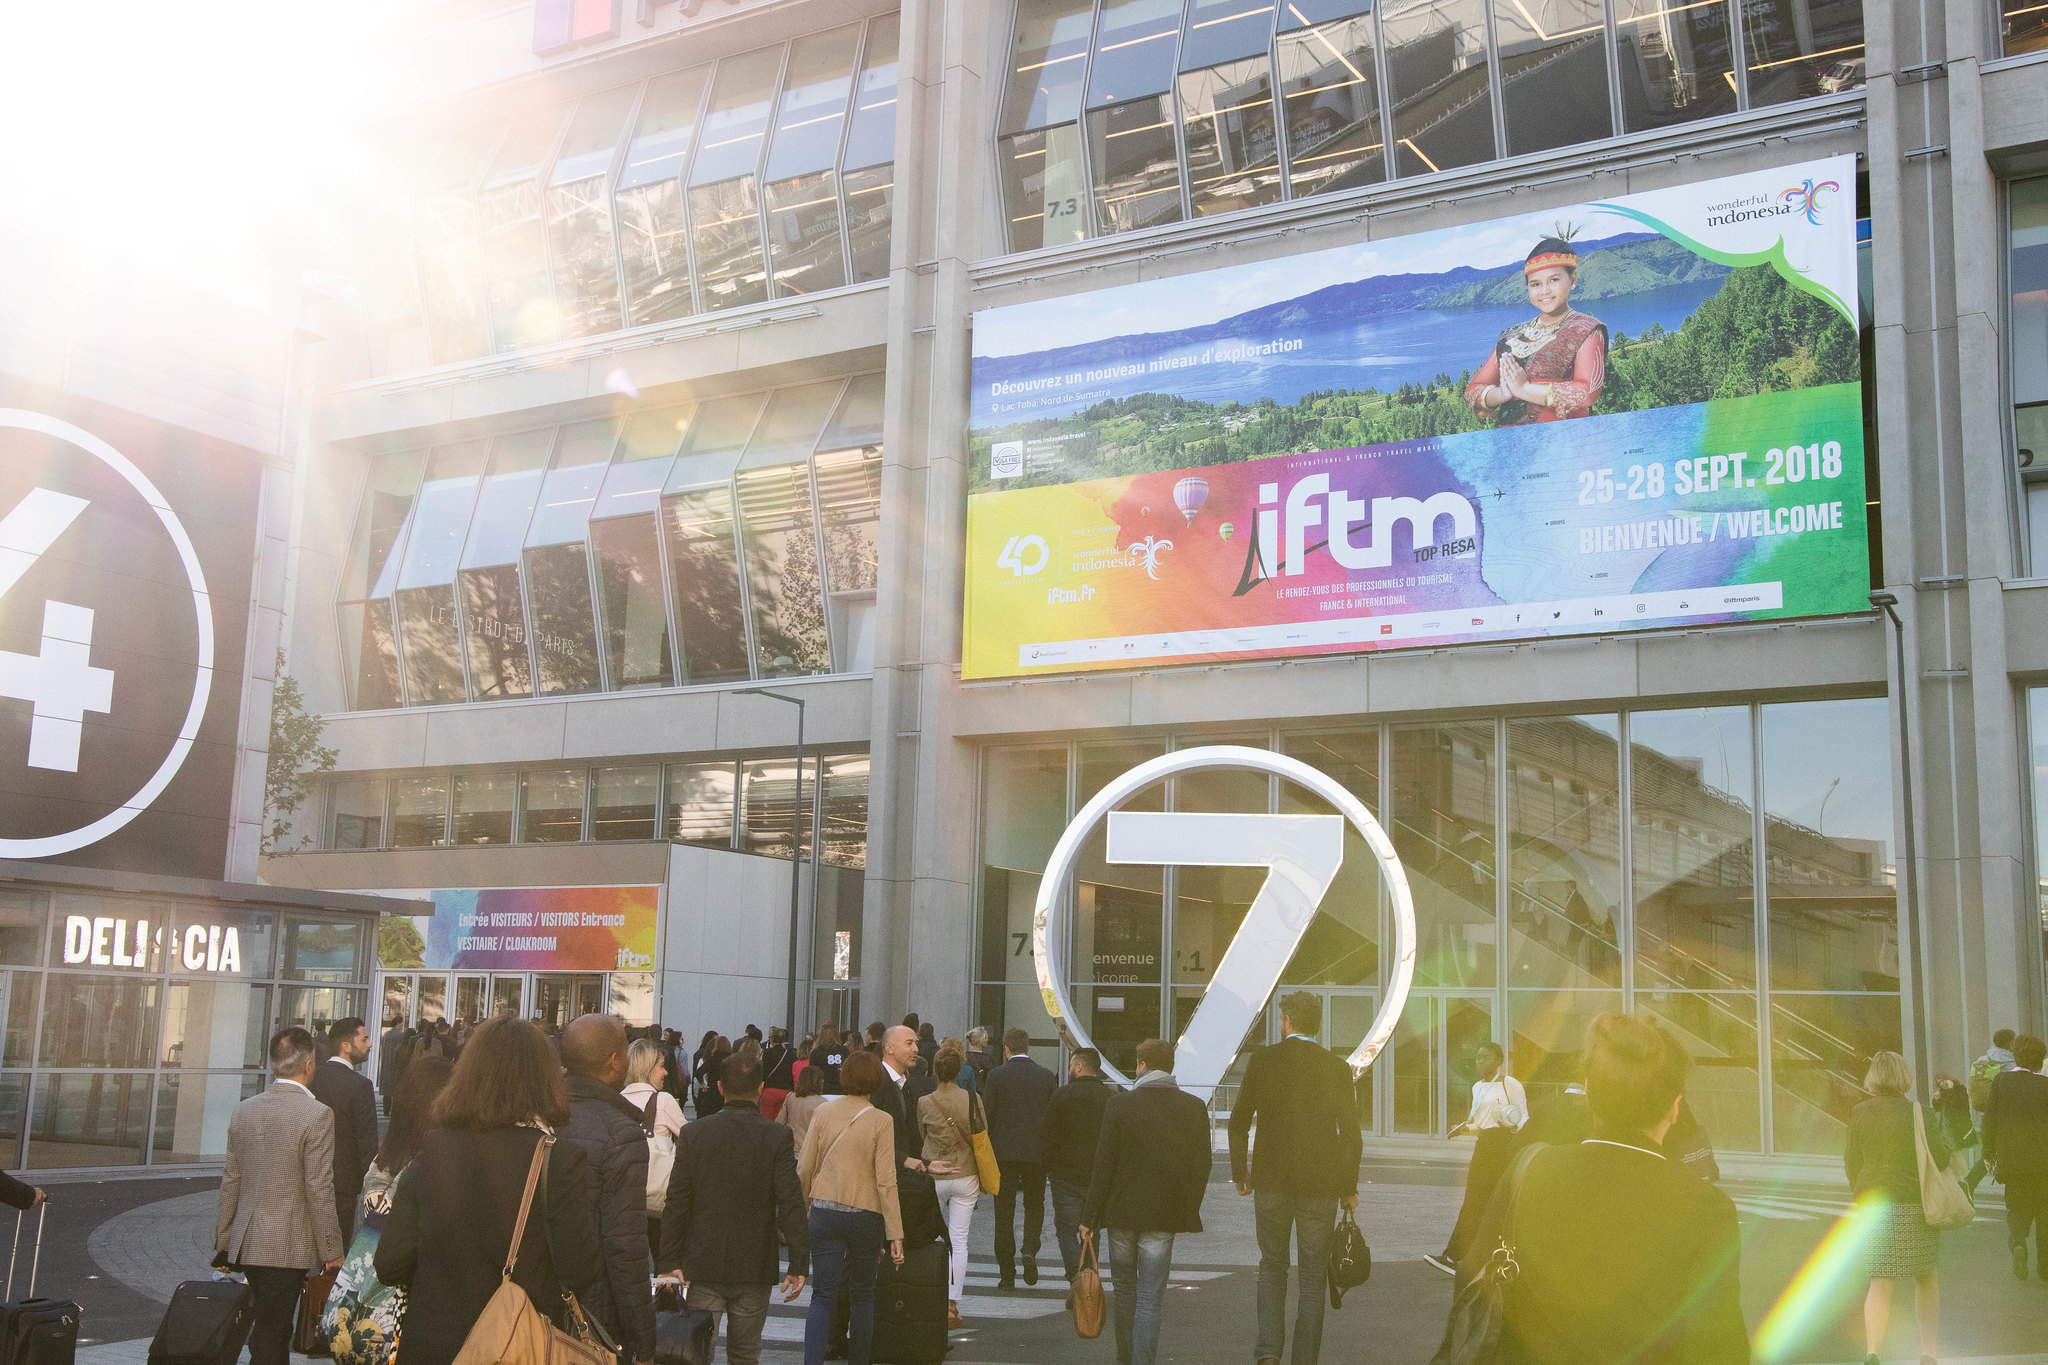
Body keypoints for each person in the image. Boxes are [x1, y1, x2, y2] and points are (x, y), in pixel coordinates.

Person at [1461, 1013, 1747, 1365]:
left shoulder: (1531, 1170)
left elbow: (1471, 1274)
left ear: (1589, 1092)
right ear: (1674, 1109)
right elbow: (1719, 1344)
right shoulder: (1708, 1207)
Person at [375, 1017, 604, 1365]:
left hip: (434, 1346)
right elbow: (581, 1270)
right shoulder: (557, 1159)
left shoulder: (433, 1149)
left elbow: (389, 1263)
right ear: (545, 1079)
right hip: (520, 1347)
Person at [1228, 992, 1363, 1365]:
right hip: (1320, 1186)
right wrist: (1348, 1188)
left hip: (1271, 1180)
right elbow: (1351, 1134)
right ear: (1316, 1023)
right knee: (1312, 1276)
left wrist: (1241, 1172)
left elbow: (1238, 1123)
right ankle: (1304, 1358)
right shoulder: (1336, 1067)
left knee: (1272, 1265)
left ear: (1286, 1020)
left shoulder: (1263, 1060)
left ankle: (1268, 1352)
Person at [659, 1051, 808, 1365]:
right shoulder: (777, 1136)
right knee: (744, 1354)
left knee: (696, 1351)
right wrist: (798, 1261)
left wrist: (668, 1259)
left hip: (703, 1259)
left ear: (720, 1087)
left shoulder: (695, 1133)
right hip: (754, 1262)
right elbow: (791, 1201)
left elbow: (677, 1202)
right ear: (761, 1088)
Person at [214, 1027, 347, 1365]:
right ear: (309, 1065)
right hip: (287, 1243)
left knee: (266, 1325)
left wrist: (224, 1241)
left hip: (248, 1240)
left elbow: (232, 1179)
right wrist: (332, 1249)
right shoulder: (317, 1115)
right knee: (274, 1329)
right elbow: (319, 1187)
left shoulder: (244, 1110)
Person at [1079, 1039, 1211, 1365]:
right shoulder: (1193, 1107)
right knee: (1150, 1298)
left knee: (1125, 1292)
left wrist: (1090, 1217)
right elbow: (1202, 1165)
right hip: (1163, 1213)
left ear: (1141, 1064)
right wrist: (1187, 1205)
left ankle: (1125, 1358)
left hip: (1121, 1213)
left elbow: (1104, 1165)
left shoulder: (1120, 1105)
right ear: (1171, 1066)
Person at [559, 1014, 658, 1365]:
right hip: (594, 1314)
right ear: (614, 1061)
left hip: (533, 1301)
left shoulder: (541, 1112)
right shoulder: (621, 1133)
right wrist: (644, 1342)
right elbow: (626, 1249)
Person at [797, 1050, 904, 1365]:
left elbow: (804, 1167)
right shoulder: (881, 1120)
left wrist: (804, 1208)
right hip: (864, 1216)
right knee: (862, 1297)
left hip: (825, 1211)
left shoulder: (824, 1112)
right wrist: (895, 1233)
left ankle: (812, 1360)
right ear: (875, 1081)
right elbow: (886, 1182)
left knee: (822, 1296)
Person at [1847, 1050, 1948, 1365]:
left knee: (1881, 1278)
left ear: (1874, 1076)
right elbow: (1941, 1158)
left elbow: (1852, 1161)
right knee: (1926, 1276)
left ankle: (1873, 1351)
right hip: (1914, 1202)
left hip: (1874, 1202)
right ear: (1903, 1076)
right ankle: (1928, 1352)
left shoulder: (1859, 1112)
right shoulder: (1919, 1112)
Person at [1462, 231, 1608, 425]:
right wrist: (1502, 393)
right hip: (1510, 441)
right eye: (1536, 284)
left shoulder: (1586, 329)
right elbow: (1473, 390)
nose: (1545, 291)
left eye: (1554, 280)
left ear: (1572, 279)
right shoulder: (1511, 336)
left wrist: (1524, 390)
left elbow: (1588, 392)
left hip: (1564, 440)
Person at [1427, 1040, 1527, 1274]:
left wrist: (1511, 1125)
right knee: (1474, 1200)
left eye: (1485, 1058)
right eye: (1477, 1058)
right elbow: (1479, 1123)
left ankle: (1497, 1256)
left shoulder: (1510, 1084)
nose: (1479, 1062)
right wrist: (1466, 1128)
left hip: (1505, 1144)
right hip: (1485, 1146)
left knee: (1500, 1200)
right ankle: (1455, 1257)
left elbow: (1523, 1117)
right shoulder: (1477, 1088)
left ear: (1498, 1061)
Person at [982, 1027, 1056, 1290]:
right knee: (1035, 1204)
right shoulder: (1046, 1077)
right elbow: (1051, 1118)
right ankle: (1029, 1248)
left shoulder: (996, 1076)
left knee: (1004, 1212)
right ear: (1028, 1047)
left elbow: (987, 1115)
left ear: (1006, 1048)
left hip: (1003, 1152)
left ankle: (1006, 1273)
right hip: (1036, 1153)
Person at [916, 1044, 981, 1330]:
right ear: (959, 1071)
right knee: (959, 1240)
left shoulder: (924, 1101)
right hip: (965, 1172)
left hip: (935, 1173)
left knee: (927, 1238)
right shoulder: (973, 1098)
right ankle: (952, 1304)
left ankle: (926, 1296)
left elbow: (921, 1134)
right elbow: (982, 1135)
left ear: (934, 1071)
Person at [1040, 1046, 1111, 1301]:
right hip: (1098, 1176)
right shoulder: (1110, 1098)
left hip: (1065, 1175)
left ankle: (1076, 1278)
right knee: (1092, 1229)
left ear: (1079, 1066)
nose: (1070, 1069)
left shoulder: (1062, 1096)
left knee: (1066, 1228)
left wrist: (1048, 1167)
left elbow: (1047, 1135)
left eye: (1071, 1065)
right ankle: (1089, 1278)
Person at [1983, 1032, 2048, 1280]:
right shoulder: (2046, 1086)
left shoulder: (2001, 1082)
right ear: (2040, 1060)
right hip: (2044, 1162)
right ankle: (2045, 1269)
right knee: (2045, 1214)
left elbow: (1990, 1120)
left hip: (2013, 1161)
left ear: (2016, 1055)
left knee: (2018, 1209)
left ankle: (2019, 1243)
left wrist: (1988, 1153)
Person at [309, 1016, 380, 1242]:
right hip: (344, 1186)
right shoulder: (360, 1086)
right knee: (336, 1249)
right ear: (345, 1046)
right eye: (364, 1039)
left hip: (311, 1177)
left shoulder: (312, 1078)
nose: (369, 1045)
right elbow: (366, 1143)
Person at [1969, 1029, 2019, 1194]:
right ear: (2010, 1043)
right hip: (2008, 1118)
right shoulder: (2012, 1064)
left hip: (1988, 1116)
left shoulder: (1983, 1059)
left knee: (1988, 1153)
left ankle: (1969, 1183)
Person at [779, 1063, 831, 1154]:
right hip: (811, 1151)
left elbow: (780, 1122)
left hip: (791, 1147)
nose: (823, 1081)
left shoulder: (790, 1098)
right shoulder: (822, 1103)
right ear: (817, 1082)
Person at [762, 1027, 798, 1118]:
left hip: (770, 1089)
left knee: (767, 1119)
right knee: (781, 1119)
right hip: (785, 1090)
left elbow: (764, 1072)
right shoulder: (790, 1054)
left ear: (772, 1039)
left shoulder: (767, 1053)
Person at [808, 1021, 848, 1096]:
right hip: (841, 1091)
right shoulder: (844, 1050)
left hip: (823, 1091)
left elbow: (812, 1074)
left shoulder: (816, 1053)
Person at [377, 1014, 405, 1114]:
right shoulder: (400, 1035)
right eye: (402, 1023)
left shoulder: (386, 1035)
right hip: (395, 1064)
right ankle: (394, 1111)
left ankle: (386, 1110)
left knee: (387, 1091)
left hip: (386, 1063)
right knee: (395, 1089)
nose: (402, 1025)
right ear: (398, 1023)